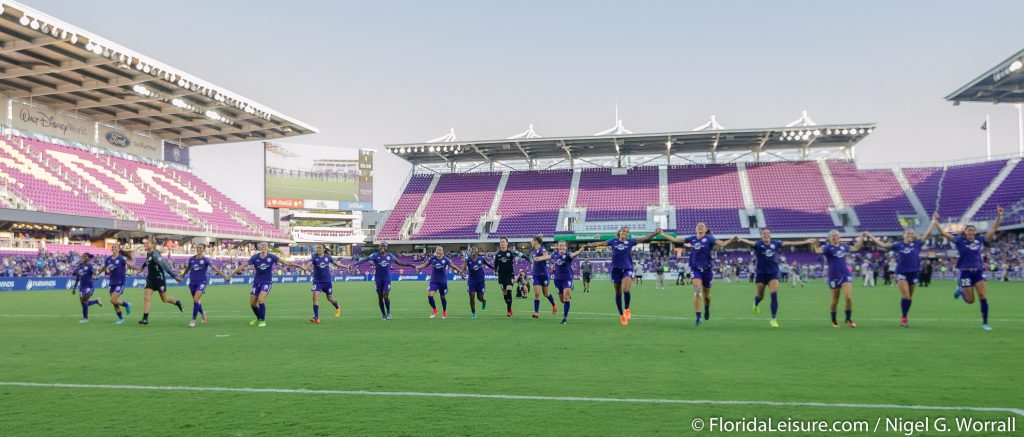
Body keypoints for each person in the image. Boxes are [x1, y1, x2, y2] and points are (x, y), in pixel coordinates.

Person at [933, 207, 1003, 330]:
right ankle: (960, 290)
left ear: (975, 233)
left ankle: (985, 323)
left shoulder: (980, 240)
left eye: (973, 231)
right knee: (970, 300)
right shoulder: (959, 241)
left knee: (982, 295)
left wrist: (999, 216)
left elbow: (994, 229)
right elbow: (943, 233)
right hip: (964, 273)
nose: (971, 232)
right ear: (965, 232)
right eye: (969, 230)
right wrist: (935, 221)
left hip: (978, 271)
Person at [658, 223, 734, 327]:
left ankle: (707, 307)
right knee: (698, 292)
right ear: (695, 229)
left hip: (707, 270)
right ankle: (698, 318)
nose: (700, 227)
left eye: (702, 226)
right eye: (698, 226)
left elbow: (722, 244)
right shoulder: (692, 239)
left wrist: (732, 239)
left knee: (707, 296)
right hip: (695, 269)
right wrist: (663, 234)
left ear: (705, 229)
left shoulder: (709, 238)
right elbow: (675, 240)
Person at [732, 229, 807, 328]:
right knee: (760, 296)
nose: (766, 235)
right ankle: (756, 303)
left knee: (774, 295)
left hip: (773, 273)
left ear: (770, 235)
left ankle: (773, 319)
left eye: (768, 233)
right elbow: (750, 242)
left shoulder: (775, 243)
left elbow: (790, 242)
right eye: (764, 234)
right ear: (761, 236)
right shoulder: (758, 244)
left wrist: (806, 241)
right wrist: (740, 239)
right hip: (761, 274)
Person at [585, 227, 659, 326]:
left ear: (628, 235)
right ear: (619, 233)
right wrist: (589, 245)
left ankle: (627, 309)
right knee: (618, 292)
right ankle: (621, 315)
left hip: (627, 268)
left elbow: (644, 239)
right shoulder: (613, 241)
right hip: (616, 270)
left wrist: (655, 233)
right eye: (623, 231)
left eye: (627, 232)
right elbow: (600, 244)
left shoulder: (631, 242)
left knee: (626, 290)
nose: (625, 233)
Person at [866, 224, 934, 328]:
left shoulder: (917, 244)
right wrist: (870, 236)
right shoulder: (899, 245)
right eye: (908, 234)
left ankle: (905, 316)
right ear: (904, 235)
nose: (910, 235)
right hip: (902, 273)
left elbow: (927, 234)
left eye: (911, 234)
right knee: (906, 296)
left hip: (914, 273)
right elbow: (883, 245)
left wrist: (933, 221)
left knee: (909, 298)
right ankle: (904, 318)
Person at [227, 242, 304, 327]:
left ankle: (263, 320)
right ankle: (258, 319)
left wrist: (300, 267)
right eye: (262, 246)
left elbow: (287, 263)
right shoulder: (255, 257)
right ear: (260, 247)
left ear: (268, 248)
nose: (263, 247)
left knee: (260, 300)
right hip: (256, 282)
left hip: (267, 282)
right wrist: (231, 275)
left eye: (265, 246)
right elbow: (242, 266)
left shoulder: (272, 257)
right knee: (252, 304)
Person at [809, 231, 866, 328]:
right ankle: (834, 320)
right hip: (833, 276)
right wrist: (814, 243)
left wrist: (861, 237)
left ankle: (848, 319)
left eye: (836, 235)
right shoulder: (827, 247)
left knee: (848, 297)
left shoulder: (844, 246)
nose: (835, 237)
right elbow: (817, 250)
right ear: (829, 238)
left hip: (845, 274)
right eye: (833, 236)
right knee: (835, 300)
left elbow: (856, 248)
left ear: (840, 237)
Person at [349, 242, 414, 320]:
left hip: (387, 279)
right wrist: (354, 264)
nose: (382, 248)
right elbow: (365, 260)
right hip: (378, 279)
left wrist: (410, 265)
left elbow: (399, 263)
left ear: (386, 248)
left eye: (383, 246)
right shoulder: (375, 255)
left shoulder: (390, 256)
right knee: (380, 297)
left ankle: (389, 312)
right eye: (380, 246)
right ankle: (383, 314)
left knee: (385, 296)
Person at [532, 241, 585, 325]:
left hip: (567, 278)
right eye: (560, 245)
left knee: (566, 297)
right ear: (558, 247)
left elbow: (574, 255)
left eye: (563, 246)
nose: (561, 247)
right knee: (562, 300)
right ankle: (566, 295)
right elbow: (547, 257)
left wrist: (579, 251)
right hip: (557, 279)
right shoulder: (555, 254)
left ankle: (564, 318)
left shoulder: (568, 255)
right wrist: (538, 258)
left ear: (566, 247)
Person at [178, 243, 229, 327]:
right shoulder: (191, 259)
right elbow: (188, 268)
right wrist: (182, 276)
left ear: (204, 249)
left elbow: (215, 268)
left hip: (202, 282)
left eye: (201, 248)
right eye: (198, 247)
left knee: (196, 299)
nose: (199, 249)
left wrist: (225, 276)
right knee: (196, 301)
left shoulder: (206, 260)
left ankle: (193, 320)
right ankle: (203, 313)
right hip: (192, 282)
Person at [136, 236, 184, 326]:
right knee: (146, 297)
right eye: (145, 243)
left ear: (153, 245)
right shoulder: (148, 253)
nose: (145, 244)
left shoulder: (155, 255)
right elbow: (147, 261)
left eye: (147, 243)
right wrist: (142, 268)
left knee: (164, 299)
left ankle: (177, 302)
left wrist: (174, 277)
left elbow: (165, 266)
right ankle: (145, 319)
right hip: (150, 278)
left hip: (159, 278)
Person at [414, 246, 465, 319]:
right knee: (430, 295)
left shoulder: (446, 259)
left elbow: (453, 266)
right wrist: (418, 267)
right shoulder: (432, 258)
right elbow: (425, 264)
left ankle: (444, 311)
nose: (438, 251)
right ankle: (435, 309)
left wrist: (461, 272)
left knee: (442, 297)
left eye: (440, 250)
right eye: (437, 250)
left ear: (442, 252)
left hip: (442, 281)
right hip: (433, 281)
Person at [302, 244, 345, 324]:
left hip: (327, 281)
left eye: (319, 248)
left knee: (329, 297)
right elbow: (309, 264)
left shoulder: (327, 257)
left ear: (324, 249)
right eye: (317, 248)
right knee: (315, 296)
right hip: (317, 281)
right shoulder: (314, 257)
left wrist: (347, 266)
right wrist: (305, 267)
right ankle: (316, 318)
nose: (318, 249)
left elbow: (337, 264)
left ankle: (337, 306)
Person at [94, 243, 132, 324]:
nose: (114, 248)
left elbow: (130, 264)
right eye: (113, 247)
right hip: (112, 283)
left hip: (120, 282)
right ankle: (121, 318)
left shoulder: (122, 258)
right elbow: (104, 267)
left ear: (119, 249)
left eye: (115, 247)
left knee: (113, 300)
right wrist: (98, 273)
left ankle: (126, 305)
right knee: (114, 302)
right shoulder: (108, 259)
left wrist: (137, 268)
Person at [527, 235, 559, 319]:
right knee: (537, 293)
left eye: (532, 240)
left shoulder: (542, 249)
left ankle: (554, 304)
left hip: (544, 274)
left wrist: (538, 258)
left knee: (545, 293)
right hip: (536, 275)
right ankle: (536, 312)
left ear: (536, 241)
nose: (531, 242)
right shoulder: (534, 251)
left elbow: (547, 256)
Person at [492, 238, 526, 316]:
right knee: (504, 293)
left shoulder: (511, 252)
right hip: (501, 275)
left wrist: (529, 259)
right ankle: (509, 308)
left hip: (510, 274)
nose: (502, 243)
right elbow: (496, 264)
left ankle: (508, 311)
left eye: (503, 242)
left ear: (507, 243)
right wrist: (495, 271)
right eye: (501, 242)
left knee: (509, 290)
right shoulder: (497, 253)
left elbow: (522, 255)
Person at [464, 246, 495, 318]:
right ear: (471, 251)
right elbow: (464, 267)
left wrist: (494, 268)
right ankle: (473, 313)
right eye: (472, 249)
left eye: (475, 250)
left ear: (477, 251)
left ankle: (484, 301)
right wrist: (462, 273)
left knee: (480, 298)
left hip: (480, 281)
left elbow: (488, 264)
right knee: (471, 296)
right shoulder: (468, 259)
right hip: (471, 281)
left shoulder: (481, 258)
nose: (474, 251)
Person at [72, 253, 101, 323]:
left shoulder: (90, 265)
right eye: (82, 257)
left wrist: (96, 275)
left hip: (89, 286)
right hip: (82, 287)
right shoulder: (80, 267)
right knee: (83, 303)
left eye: (85, 257)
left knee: (84, 301)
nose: (83, 258)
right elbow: (77, 278)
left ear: (88, 258)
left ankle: (85, 319)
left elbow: (94, 272)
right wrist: (74, 288)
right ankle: (96, 301)